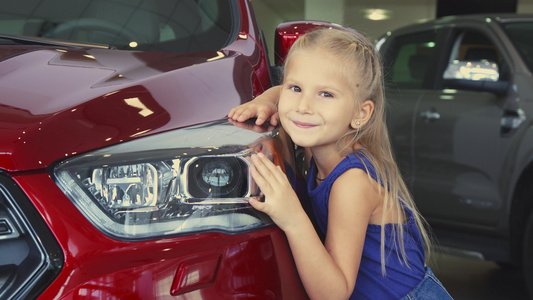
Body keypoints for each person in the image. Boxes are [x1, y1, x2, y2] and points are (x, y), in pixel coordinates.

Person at [229, 28, 452, 299]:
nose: (303, 106)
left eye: (326, 94)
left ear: (361, 114)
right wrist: (265, 100)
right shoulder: (320, 145)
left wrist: (292, 217)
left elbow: (333, 295)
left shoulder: (352, 182)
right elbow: (284, 90)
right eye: (296, 89)